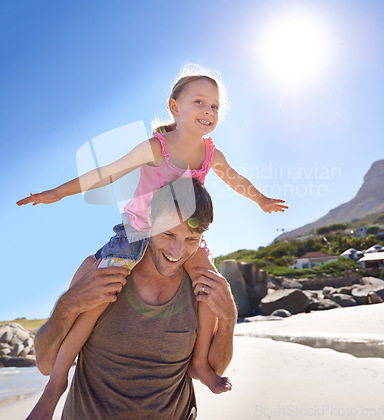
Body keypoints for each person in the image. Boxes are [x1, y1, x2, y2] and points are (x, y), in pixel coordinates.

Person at [17, 65, 288, 417]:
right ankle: (54, 386)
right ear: (175, 107)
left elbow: (236, 180)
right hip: (138, 230)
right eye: (200, 102)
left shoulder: (211, 155)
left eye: (216, 106)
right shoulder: (156, 148)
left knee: (211, 286)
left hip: (184, 233)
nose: (209, 111)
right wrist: (57, 193)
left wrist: (262, 200)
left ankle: (200, 365)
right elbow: (106, 172)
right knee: (96, 298)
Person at [36, 179, 238, 419]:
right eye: (167, 234)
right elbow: (46, 364)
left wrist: (229, 319)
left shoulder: (200, 286)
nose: (177, 251)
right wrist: (68, 303)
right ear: (150, 222)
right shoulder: (98, 270)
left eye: (191, 240)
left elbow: (212, 370)